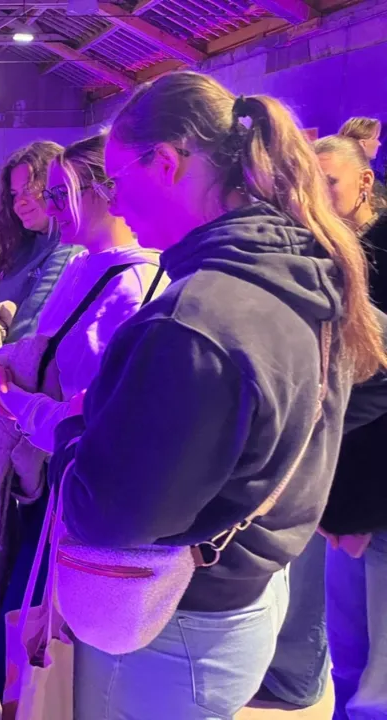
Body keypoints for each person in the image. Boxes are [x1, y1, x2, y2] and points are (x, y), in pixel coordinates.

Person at [48, 71, 387, 718]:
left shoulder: (194, 321)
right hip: (248, 599)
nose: (115, 202)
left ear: (166, 162)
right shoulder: (304, 268)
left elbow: (108, 515)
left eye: (116, 180)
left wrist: (76, 427)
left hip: (172, 620)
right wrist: (284, 470)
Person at [0, 134, 163, 696]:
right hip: (40, 472)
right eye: (44, 193)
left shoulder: (130, 286)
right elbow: (39, 347)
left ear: (104, 192)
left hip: (67, 488)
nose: (46, 205)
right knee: (16, 620)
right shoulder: (83, 264)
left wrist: (13, 399)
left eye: (58, 192)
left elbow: (89, 416)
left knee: (36, 640)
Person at [0, 142, 80, 508]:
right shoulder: (26, 246)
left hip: (12, 404)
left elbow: (27, 338)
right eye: (14, 193)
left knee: (6, 509)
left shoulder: (66, 250)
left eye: (31, 190)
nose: (20, 202)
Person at [315, 134, 387, 720]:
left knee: (378, 677)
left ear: (365, 181)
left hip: (375, 488)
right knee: (347, 647)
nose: (318, 196)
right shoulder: (324, 250)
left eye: (329, 183)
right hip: (339, 484)